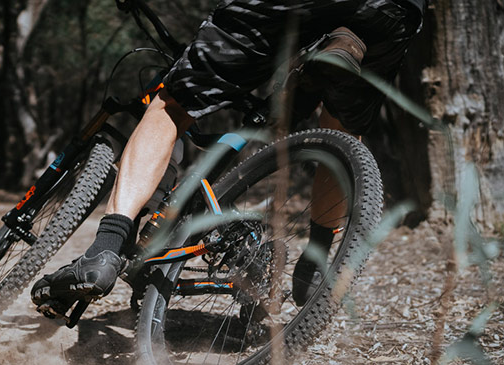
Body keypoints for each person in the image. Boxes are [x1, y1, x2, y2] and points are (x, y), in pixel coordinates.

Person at [31, 0, 424, 316]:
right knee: (341, 127)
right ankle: (318, 259)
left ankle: (106, 249)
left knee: (171, 104)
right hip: (392, 12)